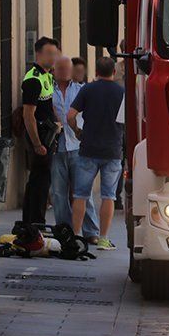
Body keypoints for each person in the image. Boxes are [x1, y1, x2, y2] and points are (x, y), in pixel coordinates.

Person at [68, 57, 125, 251]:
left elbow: (70, 115)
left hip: (88, 149)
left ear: (96, 72)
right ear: (114, 73)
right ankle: (103, 238)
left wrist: (77, 131)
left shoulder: (87, 89)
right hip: (113, 150)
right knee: (109, 196)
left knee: (80, 195)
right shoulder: (121, 92)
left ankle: (76, 236)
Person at [50, 56, 101, 242]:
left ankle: (91, 232)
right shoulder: (49, 91)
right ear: (54, 70)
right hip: (57, 147)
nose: (64, 72)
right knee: (58, 192)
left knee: (83, 191)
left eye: (67, 69)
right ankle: (65, 230)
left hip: (78, 147)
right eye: (60, 69)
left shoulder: (82, 90)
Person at [21, 37, 61, 224]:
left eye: (55, 53)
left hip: (49, 134)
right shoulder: (33, 79)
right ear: (38, 54)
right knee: (39, 183)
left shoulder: (48, 75)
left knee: (41, 180)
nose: (53, 57)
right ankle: (35, 222)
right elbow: (28, 115)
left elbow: (49, 104)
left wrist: (57, 121)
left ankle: (34, 221)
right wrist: (37, 144)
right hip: (39, 137)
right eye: (49, 53)